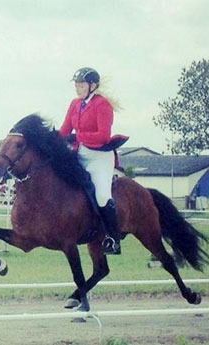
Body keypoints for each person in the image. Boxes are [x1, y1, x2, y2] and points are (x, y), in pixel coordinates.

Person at [58, 67, 124, 255]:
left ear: (92, 85)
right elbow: (64, 130)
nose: (77, 88)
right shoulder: (74, 104)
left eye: (81, 85)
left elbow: (103, 136)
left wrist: (78, 136)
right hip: (80, 154)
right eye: (76, 85)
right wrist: (48, 139)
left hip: (99, 158)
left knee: (102, 196)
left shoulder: (102, 104)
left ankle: (114, 239)